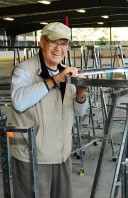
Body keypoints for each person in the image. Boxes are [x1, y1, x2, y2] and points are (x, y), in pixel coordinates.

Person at [10, 22, 88, 198]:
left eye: (63, 44)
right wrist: (53, 80)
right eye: (54, 43)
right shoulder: (24, 71)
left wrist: (81, 95)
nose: (58, 49)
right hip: (32, 158)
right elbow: (19, 102)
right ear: (42, 42)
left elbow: (79, 112)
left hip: (62, 156)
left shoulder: (66, 73)